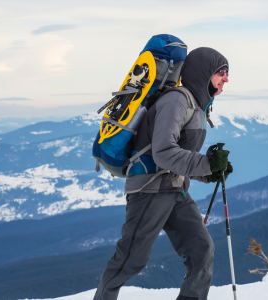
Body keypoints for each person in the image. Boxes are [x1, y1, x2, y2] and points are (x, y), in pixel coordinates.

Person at [93, 47, 231, 300]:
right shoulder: (176, 101)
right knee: (130, 260)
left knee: (202, 250)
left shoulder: (198, 106)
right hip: (149, 190)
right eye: (221, 72)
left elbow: (181, 156)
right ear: (204, 73)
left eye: (227, 73)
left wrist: (210, 172)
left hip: (175, 189)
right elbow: (164, 153)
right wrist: (207, 164)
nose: (226, 78)